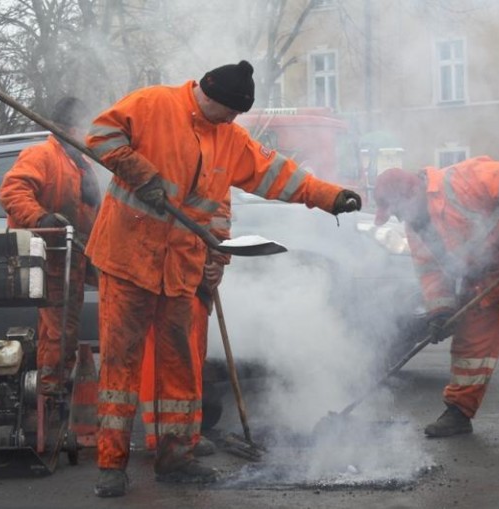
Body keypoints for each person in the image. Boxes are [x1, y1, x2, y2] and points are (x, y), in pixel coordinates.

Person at [84, 60, 361, 497]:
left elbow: (273, 178)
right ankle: (111, 465)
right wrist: (139, 172)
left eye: (237, 115)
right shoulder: (154, 103)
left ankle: (176, 457)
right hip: (127, 260)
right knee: (121, 365)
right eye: (228, 111)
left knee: (181, 369)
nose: (233, 120)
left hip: (179, 268)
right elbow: (100, 136)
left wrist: (328, 196)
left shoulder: (229, 138)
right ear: (207, 95)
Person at [371, 157, 499, 445]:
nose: (398, 217)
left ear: (411, 194)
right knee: (469, 350)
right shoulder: (417, 226)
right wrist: (440, 311)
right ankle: (458, 413)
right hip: (481, 282)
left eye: (397, 209)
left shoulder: (463, 178)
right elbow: (430, 271)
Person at [0, 96, 101, 394]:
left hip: (74, 258)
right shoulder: (42, 155)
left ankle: (56, 383)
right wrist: (40, 218)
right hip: (50, 258)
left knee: (64, 326)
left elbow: (88, 209)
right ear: (66, 127)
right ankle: (50, 389)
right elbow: (13, 190)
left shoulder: (79, 163)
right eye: (82, 127)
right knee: (59, 329)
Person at [139, 196, 231, 457]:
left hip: (194, 277)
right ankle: (164, 436)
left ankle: (186, 434)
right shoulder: (170, 164)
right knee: (167, 358)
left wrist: (218, 260)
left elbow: (219, 218)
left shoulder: (217, 166)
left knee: (191, 359)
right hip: (165, 273)